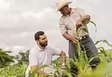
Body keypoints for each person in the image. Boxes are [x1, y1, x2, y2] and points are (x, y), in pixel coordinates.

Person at [56, 0, 100, 76]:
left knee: (95, 59)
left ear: (66, 7)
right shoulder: (61, 20)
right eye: (60, 11)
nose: (61, 12)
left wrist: (80, 20)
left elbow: (87, 16)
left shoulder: (78, 10)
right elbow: (64, 33)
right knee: (73, 64)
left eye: (61, 10)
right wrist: (71, 38)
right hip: (73, 42)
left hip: (85, 39)